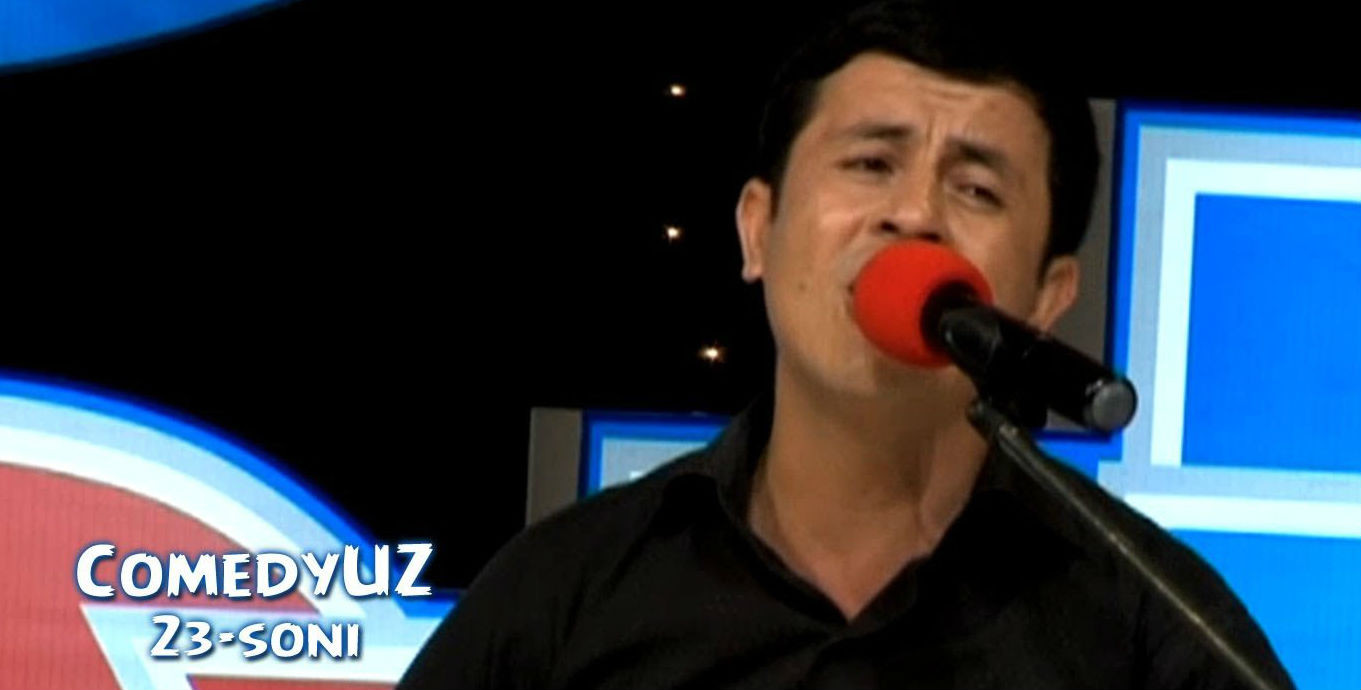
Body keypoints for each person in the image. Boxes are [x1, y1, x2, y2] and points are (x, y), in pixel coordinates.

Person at [399, 1, 1295, 687]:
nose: (913, 214)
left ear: (1046, 298)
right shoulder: (563, 596)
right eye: (871, 163)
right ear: (758, 230)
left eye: (976, 190)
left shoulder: (1150, 621)